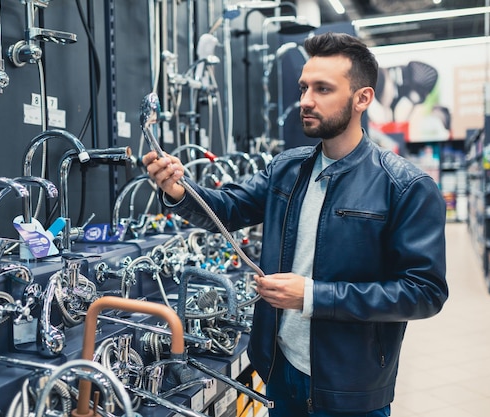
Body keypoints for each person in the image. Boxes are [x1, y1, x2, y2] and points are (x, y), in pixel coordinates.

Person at [142, 32, 448, 417]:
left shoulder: (405, 187)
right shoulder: (287, 169)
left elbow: (424, 292)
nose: (305, 100)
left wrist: (313, 295)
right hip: (280, 370)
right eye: (304, 87)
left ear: (362, 98)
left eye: (323, 89)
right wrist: (178, 190)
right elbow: (229, 209)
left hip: (349, 385)